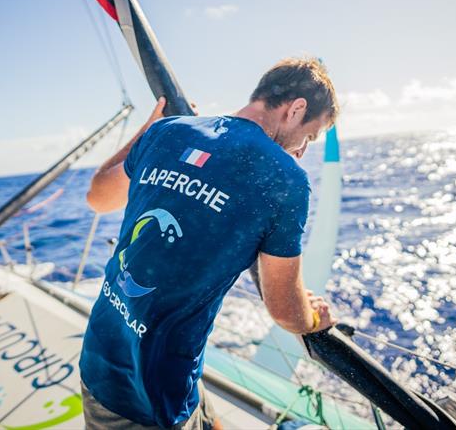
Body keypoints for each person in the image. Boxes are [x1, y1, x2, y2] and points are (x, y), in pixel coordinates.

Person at [80, 57, 339, 430]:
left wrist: (148, 129)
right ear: (296, 109)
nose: (302, 150)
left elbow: (97, 198)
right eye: (310, 136)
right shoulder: (286, 179)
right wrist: (315, 317)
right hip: (148, 396)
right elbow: (285, 311)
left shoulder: (165, 132)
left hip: (101, 349)